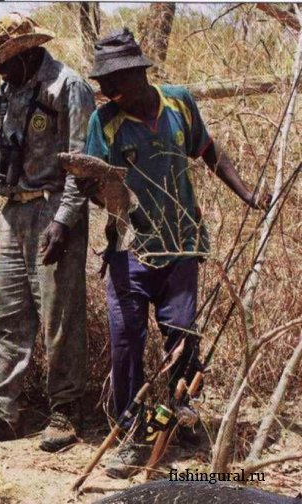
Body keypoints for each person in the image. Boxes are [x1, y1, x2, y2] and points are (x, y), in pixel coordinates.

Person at [82, 28, 268, 478]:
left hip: (182, 245)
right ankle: (132, 434)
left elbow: (208, 151)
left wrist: (249, 194)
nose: (105, 91)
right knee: (127, 342)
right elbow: (92, 185)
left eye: (112, 82)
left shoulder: (180, 102)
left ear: (136, 74)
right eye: (103, 83)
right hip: (129, 251)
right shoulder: (103, 122)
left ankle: (174, 419)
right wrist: (116, 200)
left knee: (182, 338)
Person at [0, 13, 96, 453]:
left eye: (3, 61)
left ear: (27, 53)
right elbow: (6, 144)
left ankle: (66, 410)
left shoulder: (67, 86)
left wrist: (64, 220)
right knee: (3, 312)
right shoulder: (10, 87)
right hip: (14, 212)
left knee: (59, 312)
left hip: (55, 209)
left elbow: (82, 160)